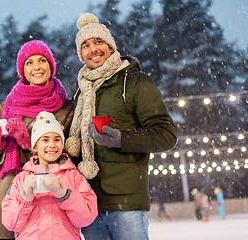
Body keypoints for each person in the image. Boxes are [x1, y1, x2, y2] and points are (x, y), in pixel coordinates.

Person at [64, 13, 178, 240]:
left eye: (98, 42)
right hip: (90, 205)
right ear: (81, 54)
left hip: (126, 203)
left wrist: (121, 139)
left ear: (110, 46)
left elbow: (166, 134)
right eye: (85, 45)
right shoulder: (81, 92)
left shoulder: (135, 82)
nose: (92, 49)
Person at [0, 40, 73, 240]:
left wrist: (27, 141)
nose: (37, 67)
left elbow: (71, 153)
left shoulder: (64, 108)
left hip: (45, 197)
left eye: (42, 61)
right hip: (5, 194)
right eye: (29, 63)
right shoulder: (7, 105)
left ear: (51, 66)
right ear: (23, 70)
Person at [1, 111, 97, 239]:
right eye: (45, 140)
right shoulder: (21, 179)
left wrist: (64, 194)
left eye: (57, 139)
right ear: (35, 146)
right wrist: (24, 198)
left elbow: (86, 218)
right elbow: (10, 223)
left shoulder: (74, 176)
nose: (52, 145)